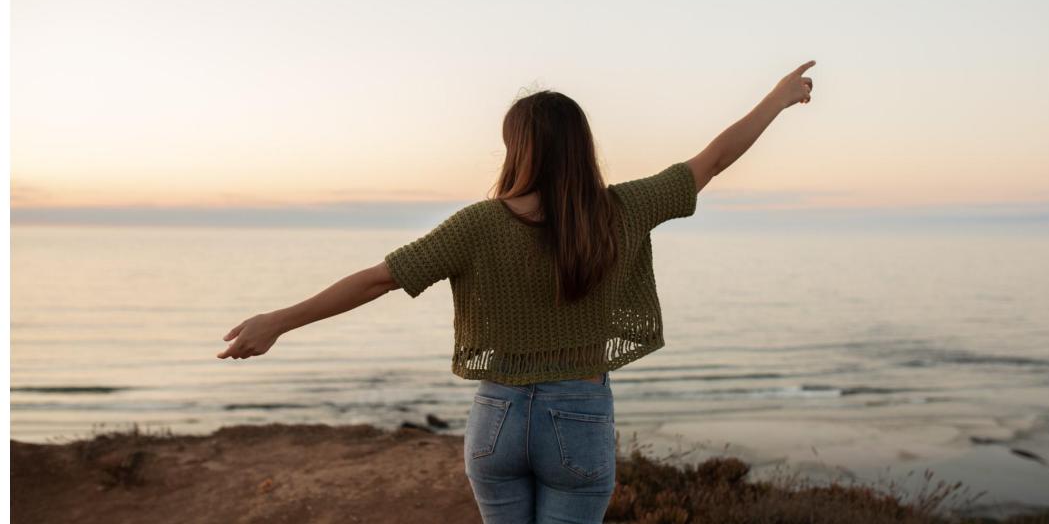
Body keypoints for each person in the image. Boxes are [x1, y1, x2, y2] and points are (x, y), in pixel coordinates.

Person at [216, 60, 816, 523]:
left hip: (496, 417)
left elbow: (380, 278)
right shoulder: (621, 210)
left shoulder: (478, 224)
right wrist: (777, 100)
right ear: (581, 145)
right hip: (578, 415)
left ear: (517, 148)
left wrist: (279, 321)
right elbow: (711, 161)